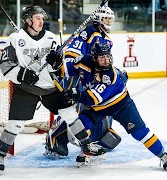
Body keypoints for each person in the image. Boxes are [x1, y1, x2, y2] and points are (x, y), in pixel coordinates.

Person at [0, 5, 105, 175]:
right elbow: (5, 65)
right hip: (26, 89)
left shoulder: (51, 38)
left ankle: (86, 145)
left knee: (70, 114)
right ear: (28, 20)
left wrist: (56, 63)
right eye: (38, 18)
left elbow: (61, 69)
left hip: (50, 87)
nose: (41, 21)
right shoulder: (15, 39)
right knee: (15, 124)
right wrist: (21, 74)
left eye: (42, 19)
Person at [49, 41, 167, 171]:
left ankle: (164, 156)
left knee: (140, 133)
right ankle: (87, 151)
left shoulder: (109, 75)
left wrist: (74, 94)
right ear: (94, 58)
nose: (106, 61)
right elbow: (65, 69)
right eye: (102, 58)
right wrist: (57, 64)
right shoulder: (84, 62)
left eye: (107, 57)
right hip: (98, 108)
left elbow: (91, 99)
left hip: (121, 105)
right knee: (78, 128)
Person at [43, 6, 122, 162]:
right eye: (106, 19)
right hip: (80, 75)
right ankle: (56, 137)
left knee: (103, 102)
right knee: (76, 108)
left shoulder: (105, 37)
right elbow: (73, 53)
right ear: (98, 19)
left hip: (94, 78)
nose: (109, 22)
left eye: (110, 19)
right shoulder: (89, 32)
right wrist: (74, 70)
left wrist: (115, 72)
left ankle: (100, 134)